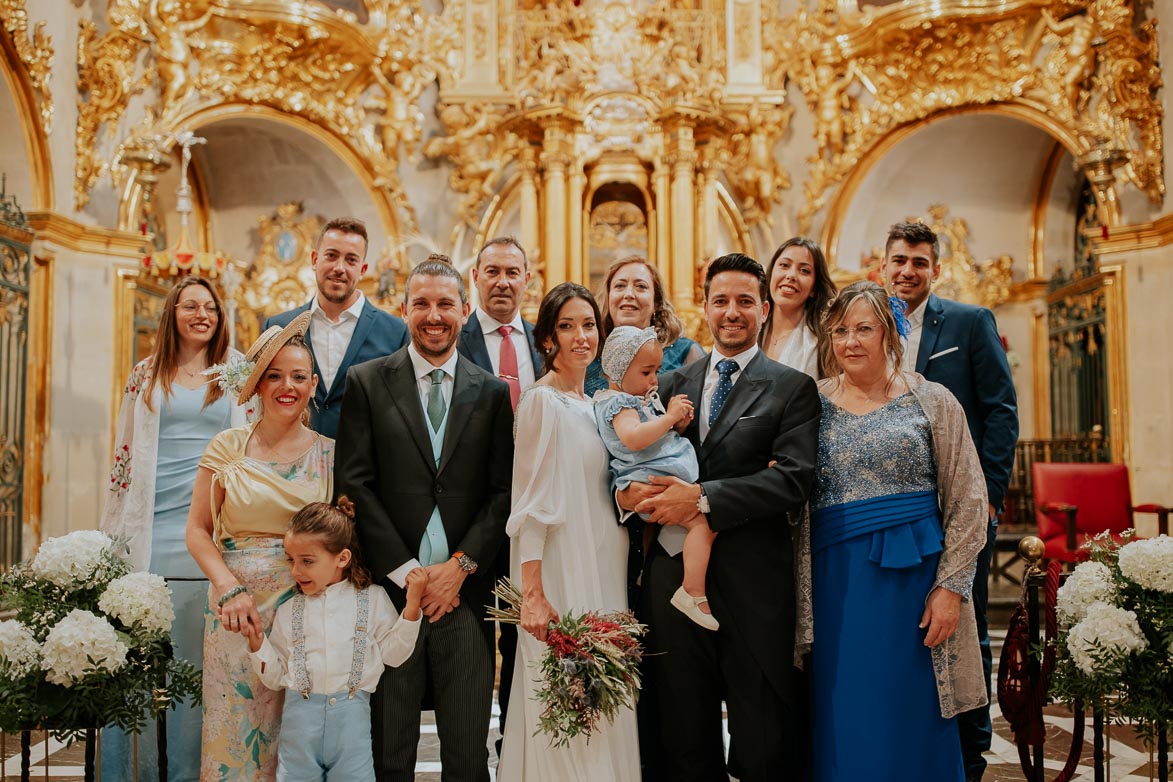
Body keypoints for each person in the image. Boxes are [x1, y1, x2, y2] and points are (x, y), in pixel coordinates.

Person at [620, 253, 820, 782]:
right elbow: (633, 462)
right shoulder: (668, 385)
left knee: (761, 733)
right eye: (721, 301)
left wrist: (703, 497)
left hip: (754, 577)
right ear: (704, 306)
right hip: (672, 575)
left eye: (744, 302)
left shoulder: (791, 387)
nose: (732, 312)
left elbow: (794, 480)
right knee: (682, 728)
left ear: (764, 308)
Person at [334, 256, 513, 782]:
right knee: (390, 753)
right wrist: (407, 572)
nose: (433, 316)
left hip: (465, 595)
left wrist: (460, 565)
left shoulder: (493, 392)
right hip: (393, 601)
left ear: (464, 309)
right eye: (421, 304)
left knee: (466, 757)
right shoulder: (367, 382)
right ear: (404, 309)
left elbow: (502, 493)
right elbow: (355, 485)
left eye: (444, 304)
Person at [808, 280, 988, 780]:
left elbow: (970, 500)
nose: (851, 342)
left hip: (914, 586)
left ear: (890, 332)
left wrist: (951, 588)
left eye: (864, 328)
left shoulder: (933, 400)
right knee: (844, 702)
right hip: (834, 585)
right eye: (840, 330)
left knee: (911, 706)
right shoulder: (811, 401)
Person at [883, 221, 1018, 782]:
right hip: (891, 508)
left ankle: (971, 747)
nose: (908, 271)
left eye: (919, 261)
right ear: (882, 266)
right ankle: (910, 732)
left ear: (936, 269)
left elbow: (1000, 410)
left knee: (965, 618)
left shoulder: (967, 322)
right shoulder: (864, 326)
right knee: (902, 621)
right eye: (899, 260)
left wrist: (987, 497)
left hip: (959, 503)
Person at [100, 277, 246, 782]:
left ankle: (188, 775)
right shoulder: (145, 374)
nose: (201, 314)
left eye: (210, 306)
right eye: (191, 306)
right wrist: (112, 537)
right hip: (147, 537)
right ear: (173, 313)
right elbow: (122, 459)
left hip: (207, 541)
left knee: (197, 683)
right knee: (136, 679)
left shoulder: (235, 375)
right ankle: (129, 774)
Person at [498, 282, 640, 781]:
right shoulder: (542, 403)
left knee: (603, 695)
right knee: (567, 697)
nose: (581, 336)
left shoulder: (597, 403)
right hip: (562, 567)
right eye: (567, 326)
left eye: (588, 325)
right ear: (547, 340)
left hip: (606, 561)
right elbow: (531, 504)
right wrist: (531, 594)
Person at [186, 311, 335, 780]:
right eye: (274, 376)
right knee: (237, 731)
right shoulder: (227, 447)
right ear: (257, 384)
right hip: (236, 609)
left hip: (307, 609)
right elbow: (197, 530)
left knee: (298, 735)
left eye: (297, 376)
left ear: (313, 385)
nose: (286, 386)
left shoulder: (331, 453)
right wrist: (228, 587)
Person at [243, 497, 425, 780]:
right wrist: (257, 642)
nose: (295, 571)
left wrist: (412, 607)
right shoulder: (290, 609)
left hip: (352, 725)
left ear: (342, 557)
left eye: (307, 561)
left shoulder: (373, 599)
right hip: (299, 727)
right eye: (292, 560)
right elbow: (275, 677)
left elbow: (394, 655)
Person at [456, 236, 544, 748]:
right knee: (469, 643)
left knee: (522, 637)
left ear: (527, 279)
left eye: (513, 271)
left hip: (528, 516)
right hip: (470, 516)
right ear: (476, 276)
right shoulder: (453, 337)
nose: (503, 281)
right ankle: (467, 753)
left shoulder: (541, 342)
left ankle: (515, 748)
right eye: (492, 271)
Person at [592, 326, 713, 630]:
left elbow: (656, 437)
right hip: (649, 477)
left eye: (656, 371)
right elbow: (633, 438)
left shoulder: (635, 399)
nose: (654, 380)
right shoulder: (620, 404)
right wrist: (669, 418)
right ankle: (693, 590)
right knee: (704, 522)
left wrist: (677, 426)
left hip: (654, 473)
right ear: (619, 371)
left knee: (656, 536)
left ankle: (649, 575)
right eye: (647, 372)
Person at [264, 217, 408, 439]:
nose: (339, 268)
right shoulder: (278, 327)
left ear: (363, 269)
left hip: (365, 467)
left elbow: (400, 410)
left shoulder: (395, 332)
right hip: (291, 460)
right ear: (314, 259)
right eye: (331, 256)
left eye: (351, 260)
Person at [583, 256, 705, 398]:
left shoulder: (686, 352)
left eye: (641, 286)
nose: (628, 294)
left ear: (656, 302)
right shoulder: (589, 351)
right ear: (608, 297)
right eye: (620, 286)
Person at [758, 236, 837, 379]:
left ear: (814, 288)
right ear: (770, 274)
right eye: (784, 265)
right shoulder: (751, 328)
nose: (791, 275)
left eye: (804, 270)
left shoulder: (825, 341)